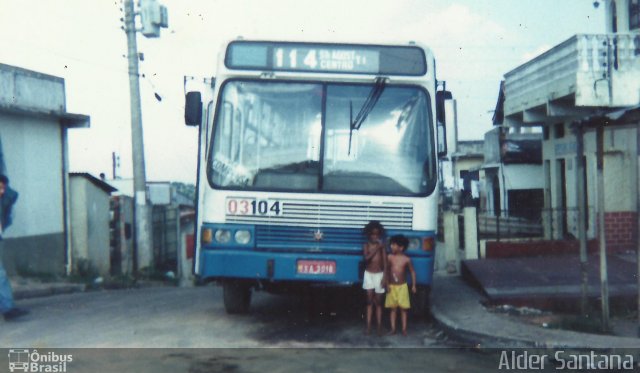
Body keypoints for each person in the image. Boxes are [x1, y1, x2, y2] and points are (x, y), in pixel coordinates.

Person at [0, 174, 28, 321]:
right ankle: (7, 308)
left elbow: (13, 195)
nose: (2, 192)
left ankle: (7, 308)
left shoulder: (3, 201)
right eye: (0, 188)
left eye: (3, 188)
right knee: (0, 275)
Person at [385, 234, 416, 336]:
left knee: (403, 309)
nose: (391, 247)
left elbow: (412, 272)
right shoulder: (389, 257)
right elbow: (387, 271)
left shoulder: (406, 259)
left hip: (402, 287)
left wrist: (413, 285)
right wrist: (387, 284)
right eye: (391, 245)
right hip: (392, 286)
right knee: (393, 309)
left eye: (394, 245)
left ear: (401, 247)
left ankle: (404, 329)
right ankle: (393, 329)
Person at [361, 220, 387, 335]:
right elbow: (366, 258)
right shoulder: (366, 245)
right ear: (369, 235)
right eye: (372, 234)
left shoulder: (382, 247)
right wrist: (377, 248)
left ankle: (379, 327)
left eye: (377, 234)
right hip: (369, 274)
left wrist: (385, 277)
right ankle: (368, 327)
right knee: (369, 301)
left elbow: (385, 263)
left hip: (379, 275)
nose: (375, 236)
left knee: (379, 302)